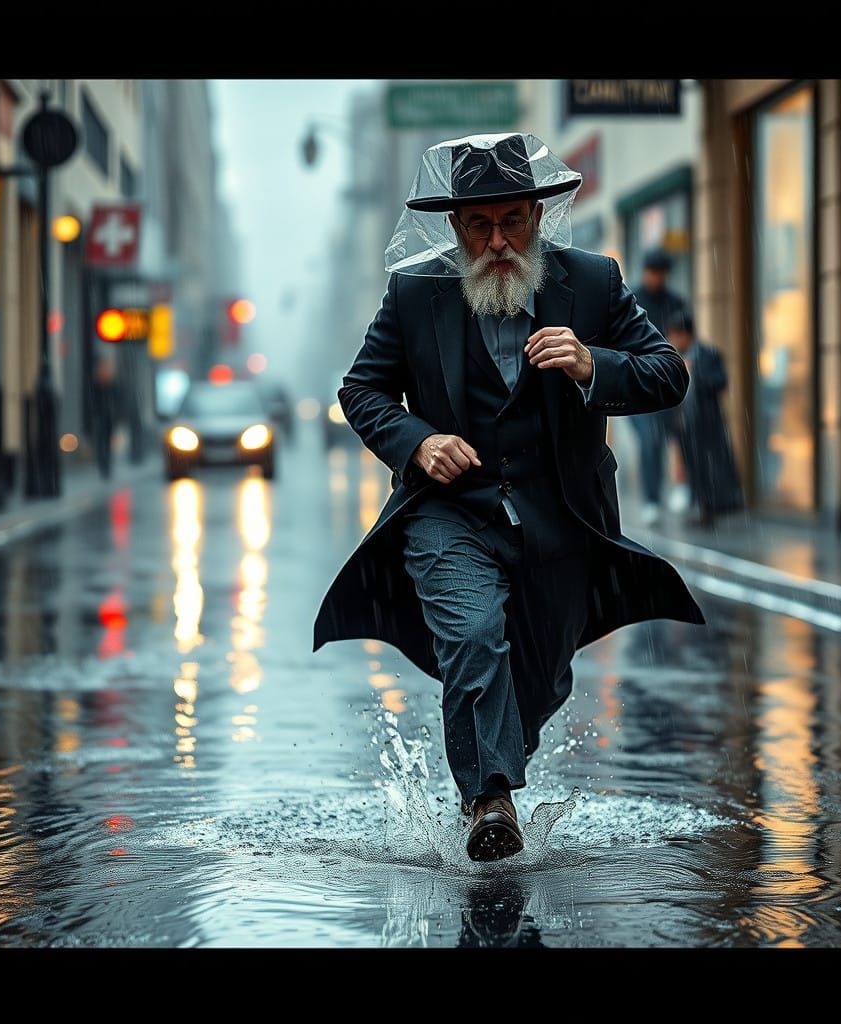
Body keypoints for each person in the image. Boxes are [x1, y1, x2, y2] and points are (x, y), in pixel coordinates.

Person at [312, 133, 705, 862]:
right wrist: (417, 441)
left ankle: (495, 756)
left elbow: (667, 373)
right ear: (455, 227)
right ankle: (489, 802)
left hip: (563, 520)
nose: (498, 242)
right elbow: (361, 390)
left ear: (536, 215)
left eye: (512, 222)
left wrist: (595, 365)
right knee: (470, 639)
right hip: (447, 513)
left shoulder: (592, 282)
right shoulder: (414, 290)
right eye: (479, 226)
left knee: (541, 680)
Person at [666, 309, 743, 527]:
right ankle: (700, 507)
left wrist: (696, 372)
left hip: (707, 422)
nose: (673, 340)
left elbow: (720, 382)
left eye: (675, 335)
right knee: (694, 467)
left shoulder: (707, 354)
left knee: (712, 466)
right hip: (685, 424)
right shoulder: (675, 358)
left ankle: (713, 508)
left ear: (686, 334)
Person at [628, 248, 687, 526]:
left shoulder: (675, 302)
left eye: (661, 273)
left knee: (673, 436)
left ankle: (679, 488)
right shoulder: (632, 298)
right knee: (650, 441)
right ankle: (651, 499)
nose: (656, 278)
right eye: (653, 272)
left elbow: (687, 336)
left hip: (667, 383)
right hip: (638, 384)